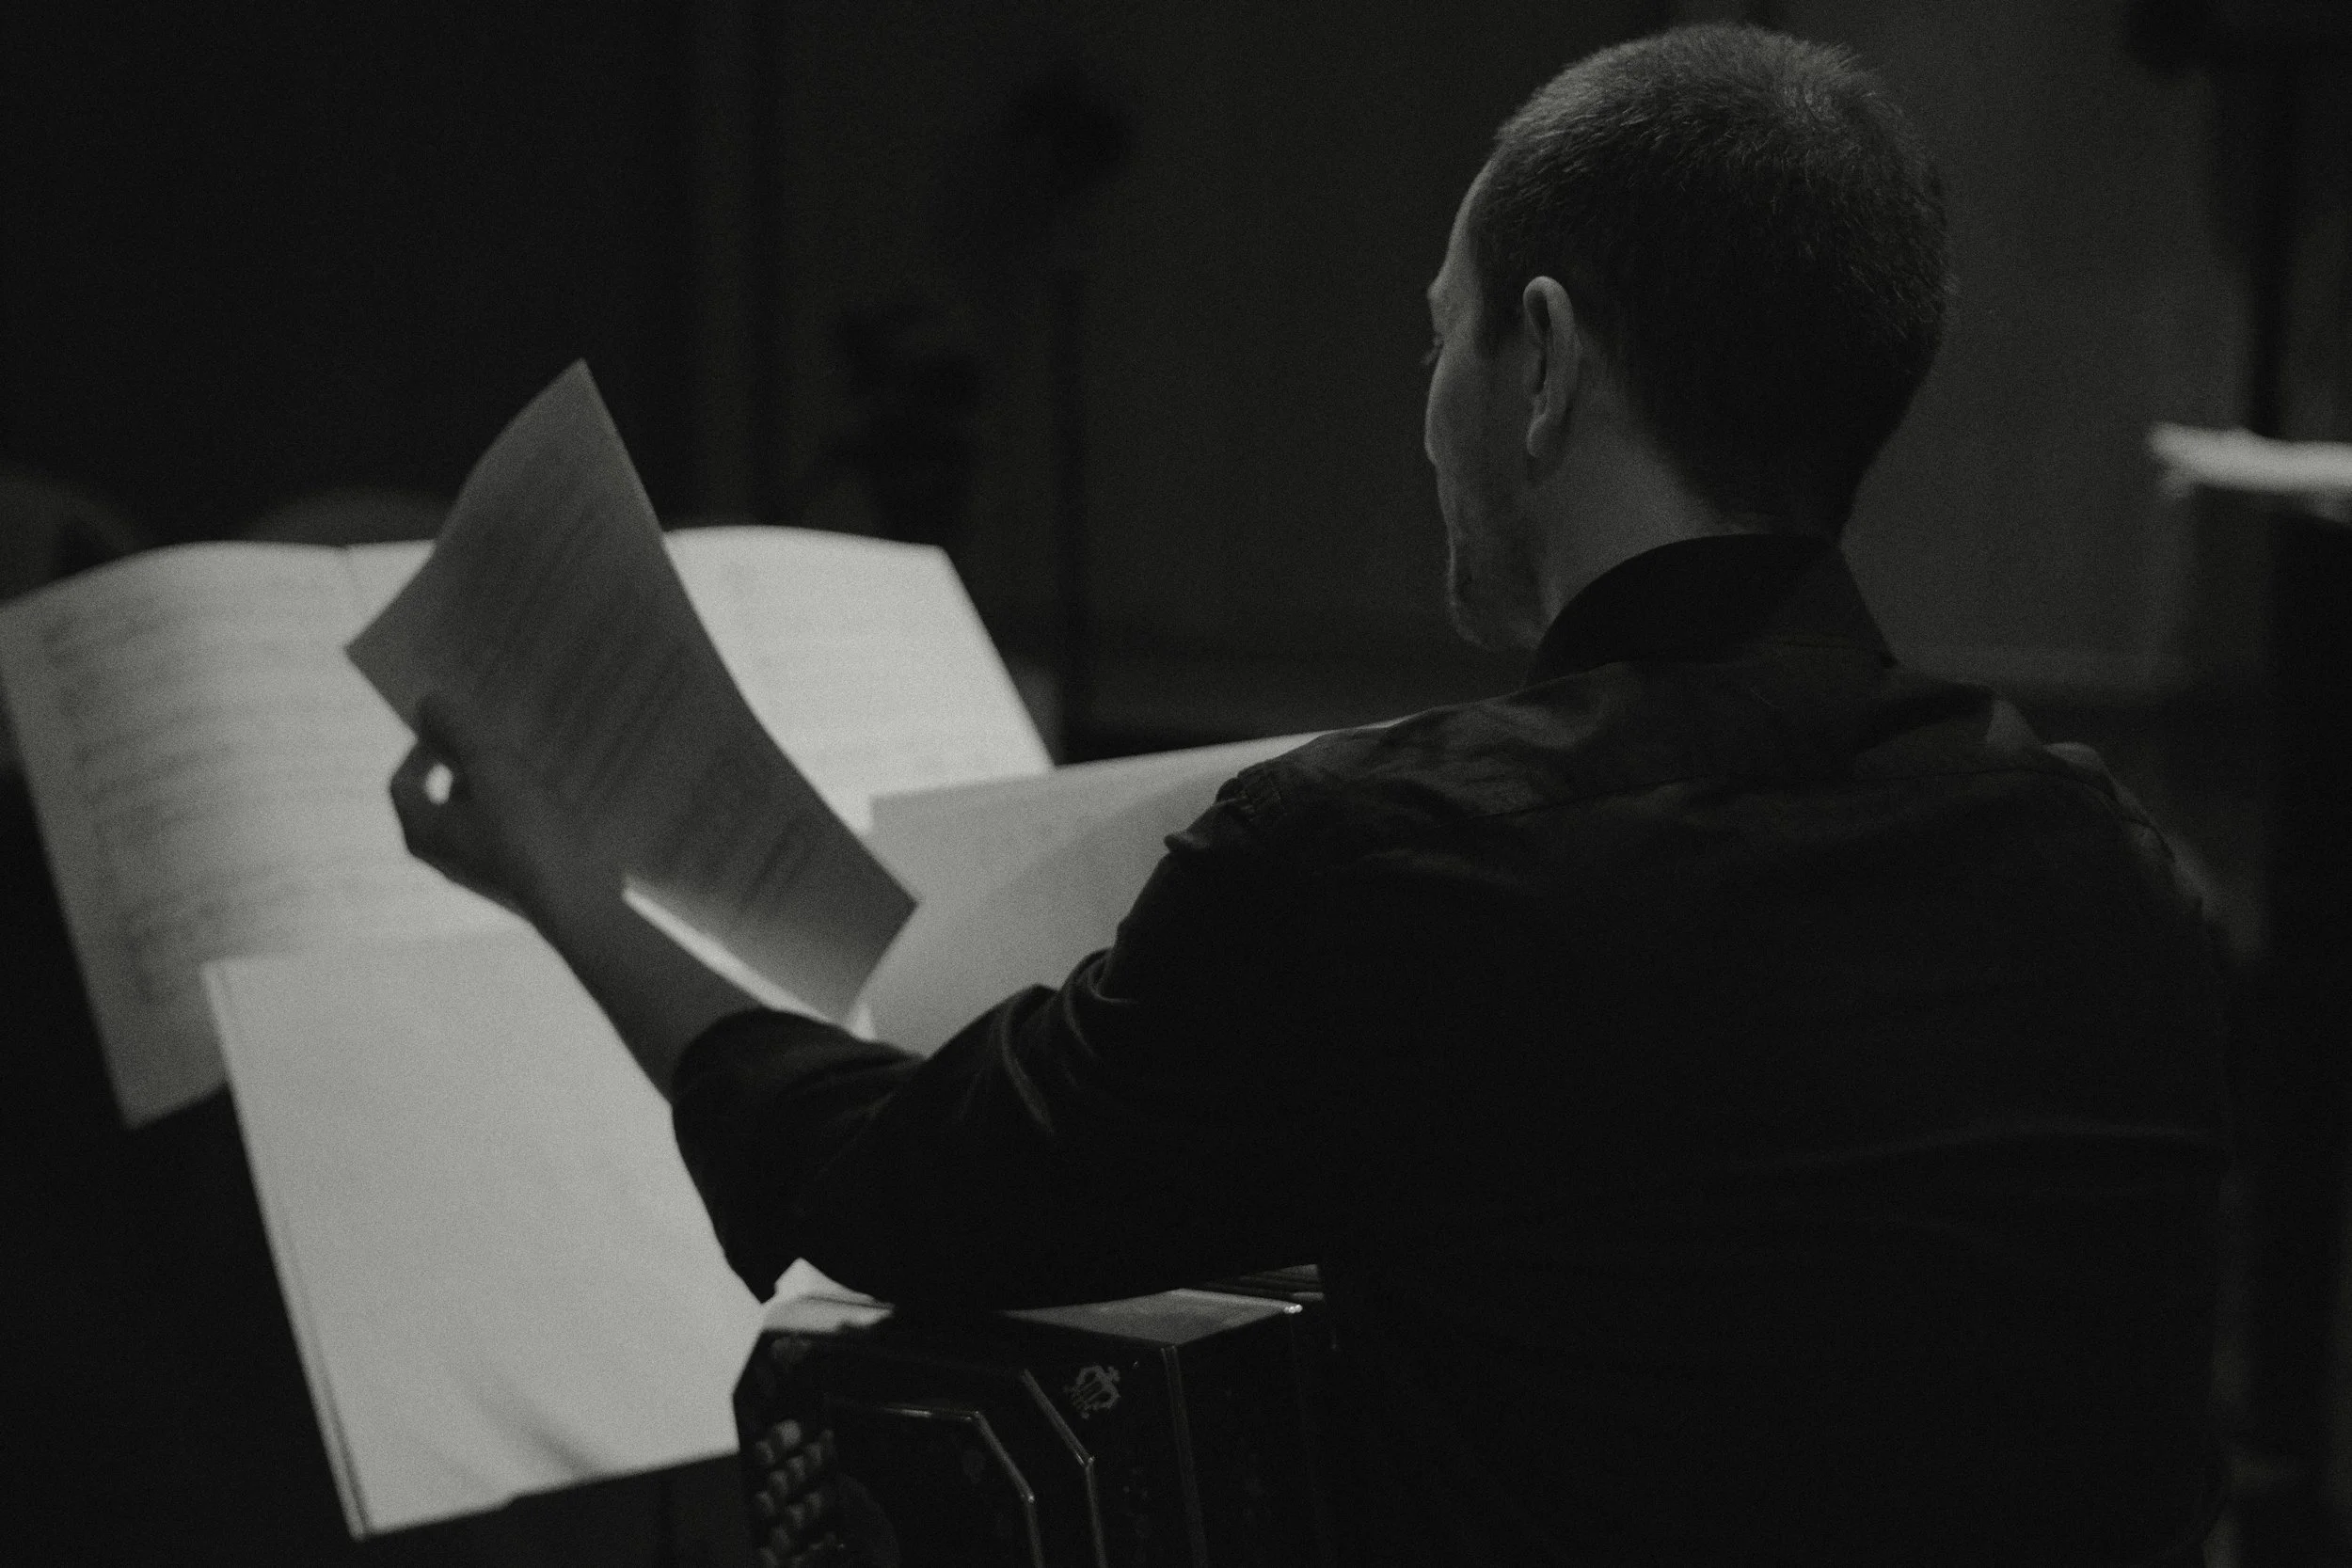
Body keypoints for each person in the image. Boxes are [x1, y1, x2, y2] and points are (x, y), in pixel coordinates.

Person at [391, 24, 2231, 1566]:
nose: (1421, 402)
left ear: (1541, 361)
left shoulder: (1395, 862)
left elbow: (903, 1191)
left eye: (1431, 339)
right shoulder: (2119, 877)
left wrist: (562, 879)